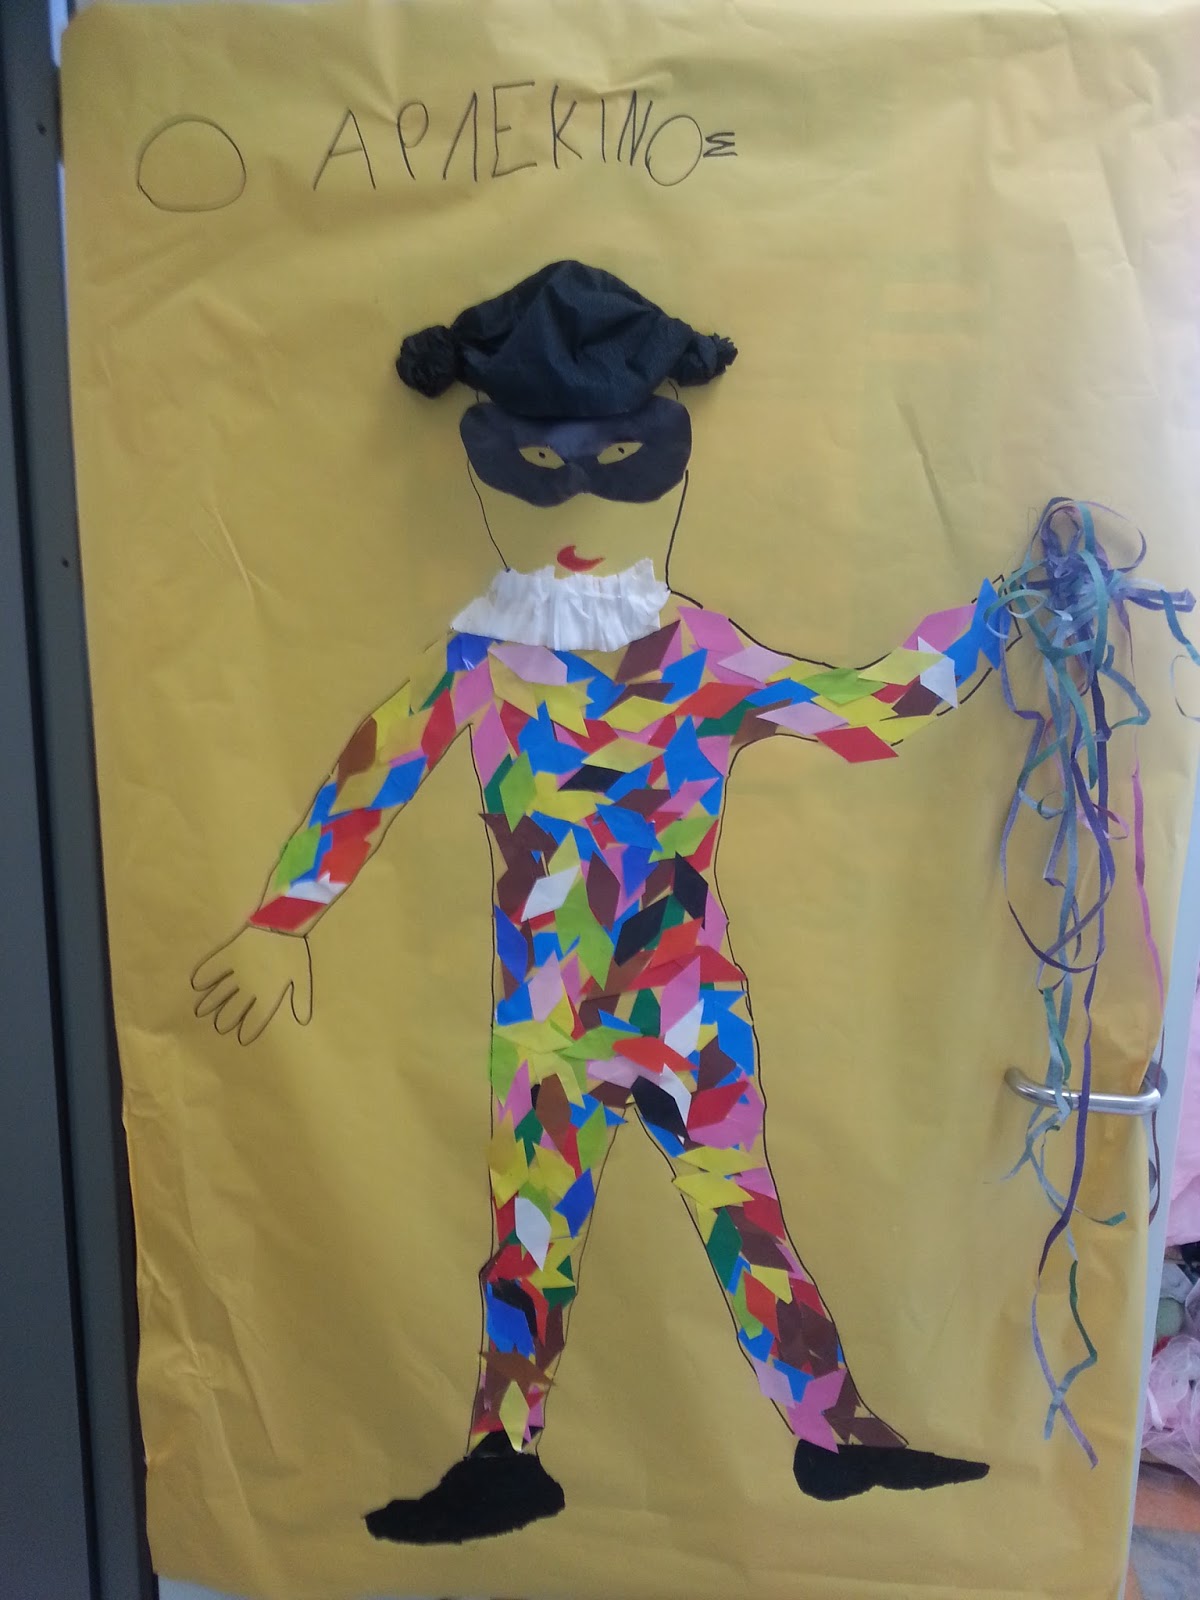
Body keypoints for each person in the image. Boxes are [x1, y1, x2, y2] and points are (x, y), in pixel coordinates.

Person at [193, 261, 994, 1544]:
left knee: (741, 1216)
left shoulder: (696, 655)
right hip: (558, 1021)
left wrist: (999, 618)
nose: (572, 503)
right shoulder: (484, 661)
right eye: (533, 464)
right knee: (533, 1235)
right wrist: (285, 917)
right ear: (487, 466)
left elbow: (867, 711)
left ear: (664, 463)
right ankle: (505, 1452)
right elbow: (372, 770)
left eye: (615, 460)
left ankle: (834, 1434)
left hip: (681, 1006)